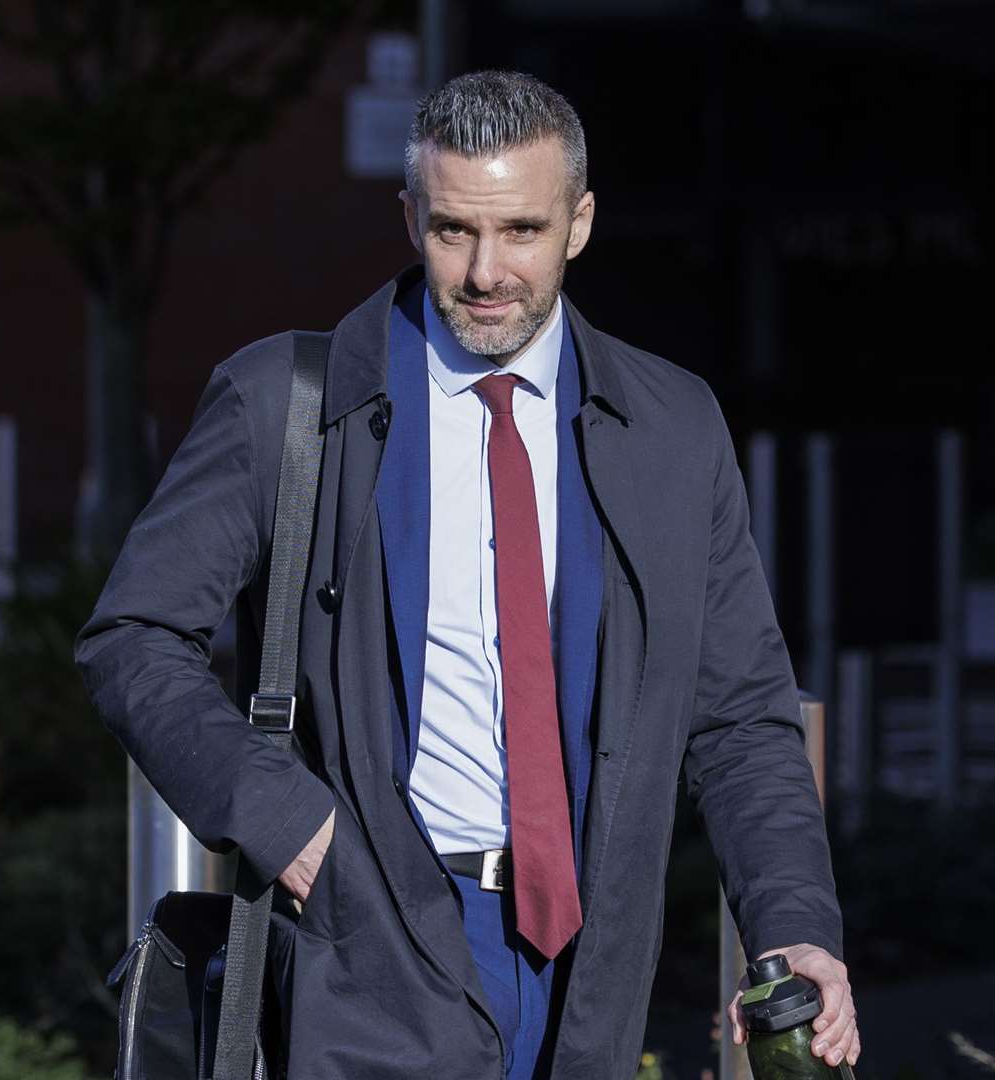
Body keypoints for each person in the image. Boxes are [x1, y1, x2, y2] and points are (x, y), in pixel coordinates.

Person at [75, 69, 858, 1079]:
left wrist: (794, 926)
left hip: (594, 969)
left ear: (578, 223)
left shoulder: (671, 428)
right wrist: (289, 825)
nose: (488, 272)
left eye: (522, 232)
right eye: (454, 230)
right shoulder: (284, 403)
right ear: (410, 218)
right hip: (370, 945)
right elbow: (131, 638)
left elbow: (744, 715)